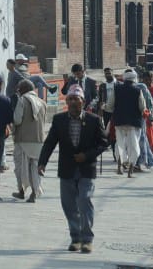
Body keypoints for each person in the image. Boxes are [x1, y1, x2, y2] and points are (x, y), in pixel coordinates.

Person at [38, 92, 108, 253]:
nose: (72, 102)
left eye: (76, 99)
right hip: (67, 168)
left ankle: (87, 239)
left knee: (84, 200)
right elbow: (50, 143)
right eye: (69, 99)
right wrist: (42, 162)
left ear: (83, 101)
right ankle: (75, 237)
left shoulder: (93, 120)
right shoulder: (59, 120)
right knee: (68, 205)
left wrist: (87, 155)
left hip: (86, 168)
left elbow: (103, 143)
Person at [11, 80, 48, 202]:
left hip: (23, 140)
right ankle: (34, 193)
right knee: (35, 168)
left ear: (24, 89)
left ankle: (21, 191)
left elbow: (17, 120)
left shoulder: (22, 100)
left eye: (19, 89)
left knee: (21, 168)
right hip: (39, 140)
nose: (18, 91)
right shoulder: (42, 102)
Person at [109, 69, 146, 177]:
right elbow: (142, 107)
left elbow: (110, 106)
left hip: (119, 121)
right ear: (134, 79)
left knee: (120, 144)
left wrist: (104, 107)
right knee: (133, 146)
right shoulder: (138, 90)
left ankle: (119, 167)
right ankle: (130, 171)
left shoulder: (116, 89)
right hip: (134, 123)